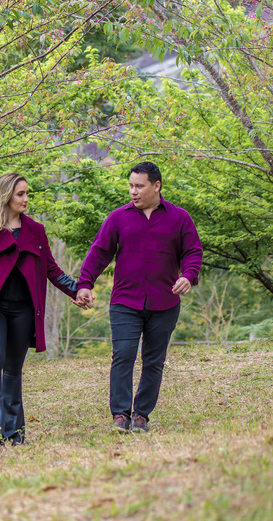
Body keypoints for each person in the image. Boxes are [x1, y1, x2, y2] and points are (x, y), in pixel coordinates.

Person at [0, 173, 83, 445]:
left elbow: (51, 269)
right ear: (5, 196)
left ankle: (14, 433)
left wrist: (77, 290)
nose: (26, 199)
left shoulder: (36, 231)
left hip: (25, 311)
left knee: (13, 371)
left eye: (27, 193)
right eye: (20, 194)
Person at [75, 161, 203, 433]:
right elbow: (99, 253)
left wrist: (188, 276)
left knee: (154, 360)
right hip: (125, 302)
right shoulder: (118, 218)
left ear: (156, 186)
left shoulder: (180, 218)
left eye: (139, 186)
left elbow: (193, 251)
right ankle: (120, 415)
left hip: (164, 303)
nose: (133, 191)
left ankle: (142, 415)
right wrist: (85, 283)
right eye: (131, 186)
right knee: (123, 356)